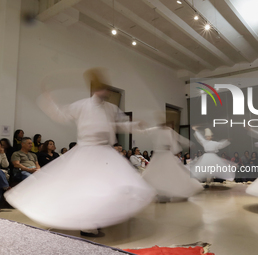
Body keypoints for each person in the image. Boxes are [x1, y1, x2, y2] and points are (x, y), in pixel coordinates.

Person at [5, 68, 155, 236]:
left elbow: (120, 124)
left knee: (105, 187)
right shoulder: (82, 105)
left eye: (105, 88)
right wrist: (48, 99)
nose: (104, 91)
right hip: (87, 151)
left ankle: (97, 218)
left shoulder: (111, 108)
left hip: (105, 152)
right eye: (100, 88)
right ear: (95, 90)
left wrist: (137, 127)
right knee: (88, 188)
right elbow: (60, 114)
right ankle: (88, 225)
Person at [141, 117, 203, 202]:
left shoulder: (169, 130)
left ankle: (168, 192)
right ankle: (161, 192)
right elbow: (145, 132)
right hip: (158, 155)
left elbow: (179, 138)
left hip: (166, 154)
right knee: (156, 173)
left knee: (171, 173)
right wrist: (141, 126)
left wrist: (189, 143)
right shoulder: (155, 129)